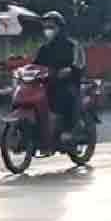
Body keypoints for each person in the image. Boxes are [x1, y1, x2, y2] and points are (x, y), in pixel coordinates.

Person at [30, 12, 82, 144]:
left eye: (51, 27)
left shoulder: (72, 45)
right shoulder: (44, 48)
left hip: (67, 82)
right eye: (46, 27)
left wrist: (70, 70)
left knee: (66, 95)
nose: (48, 30)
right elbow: (34, 65)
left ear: (60, 28)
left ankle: (68, 130)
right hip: (46, 83)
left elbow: (79, 63)